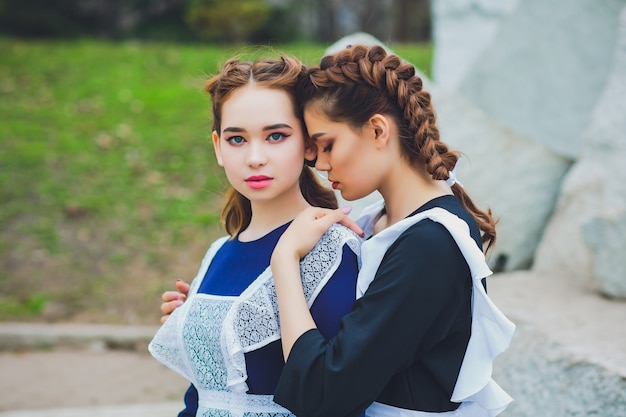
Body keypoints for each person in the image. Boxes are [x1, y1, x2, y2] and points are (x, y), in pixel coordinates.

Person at [269, 44, 515, 417]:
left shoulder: (431, 243)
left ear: (378, 130)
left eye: (327, 145)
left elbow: (322, 392)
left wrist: (285, 259)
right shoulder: (384, 223)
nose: (318, 163)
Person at [149, 54, 361, 417]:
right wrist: (195, 323)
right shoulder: (217, 253)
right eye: (237, 139)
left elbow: (337, 396)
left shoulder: (333, 251)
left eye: (276, 135)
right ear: (218, 146)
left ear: (309, 144)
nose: (255, 157)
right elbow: (200, 396)